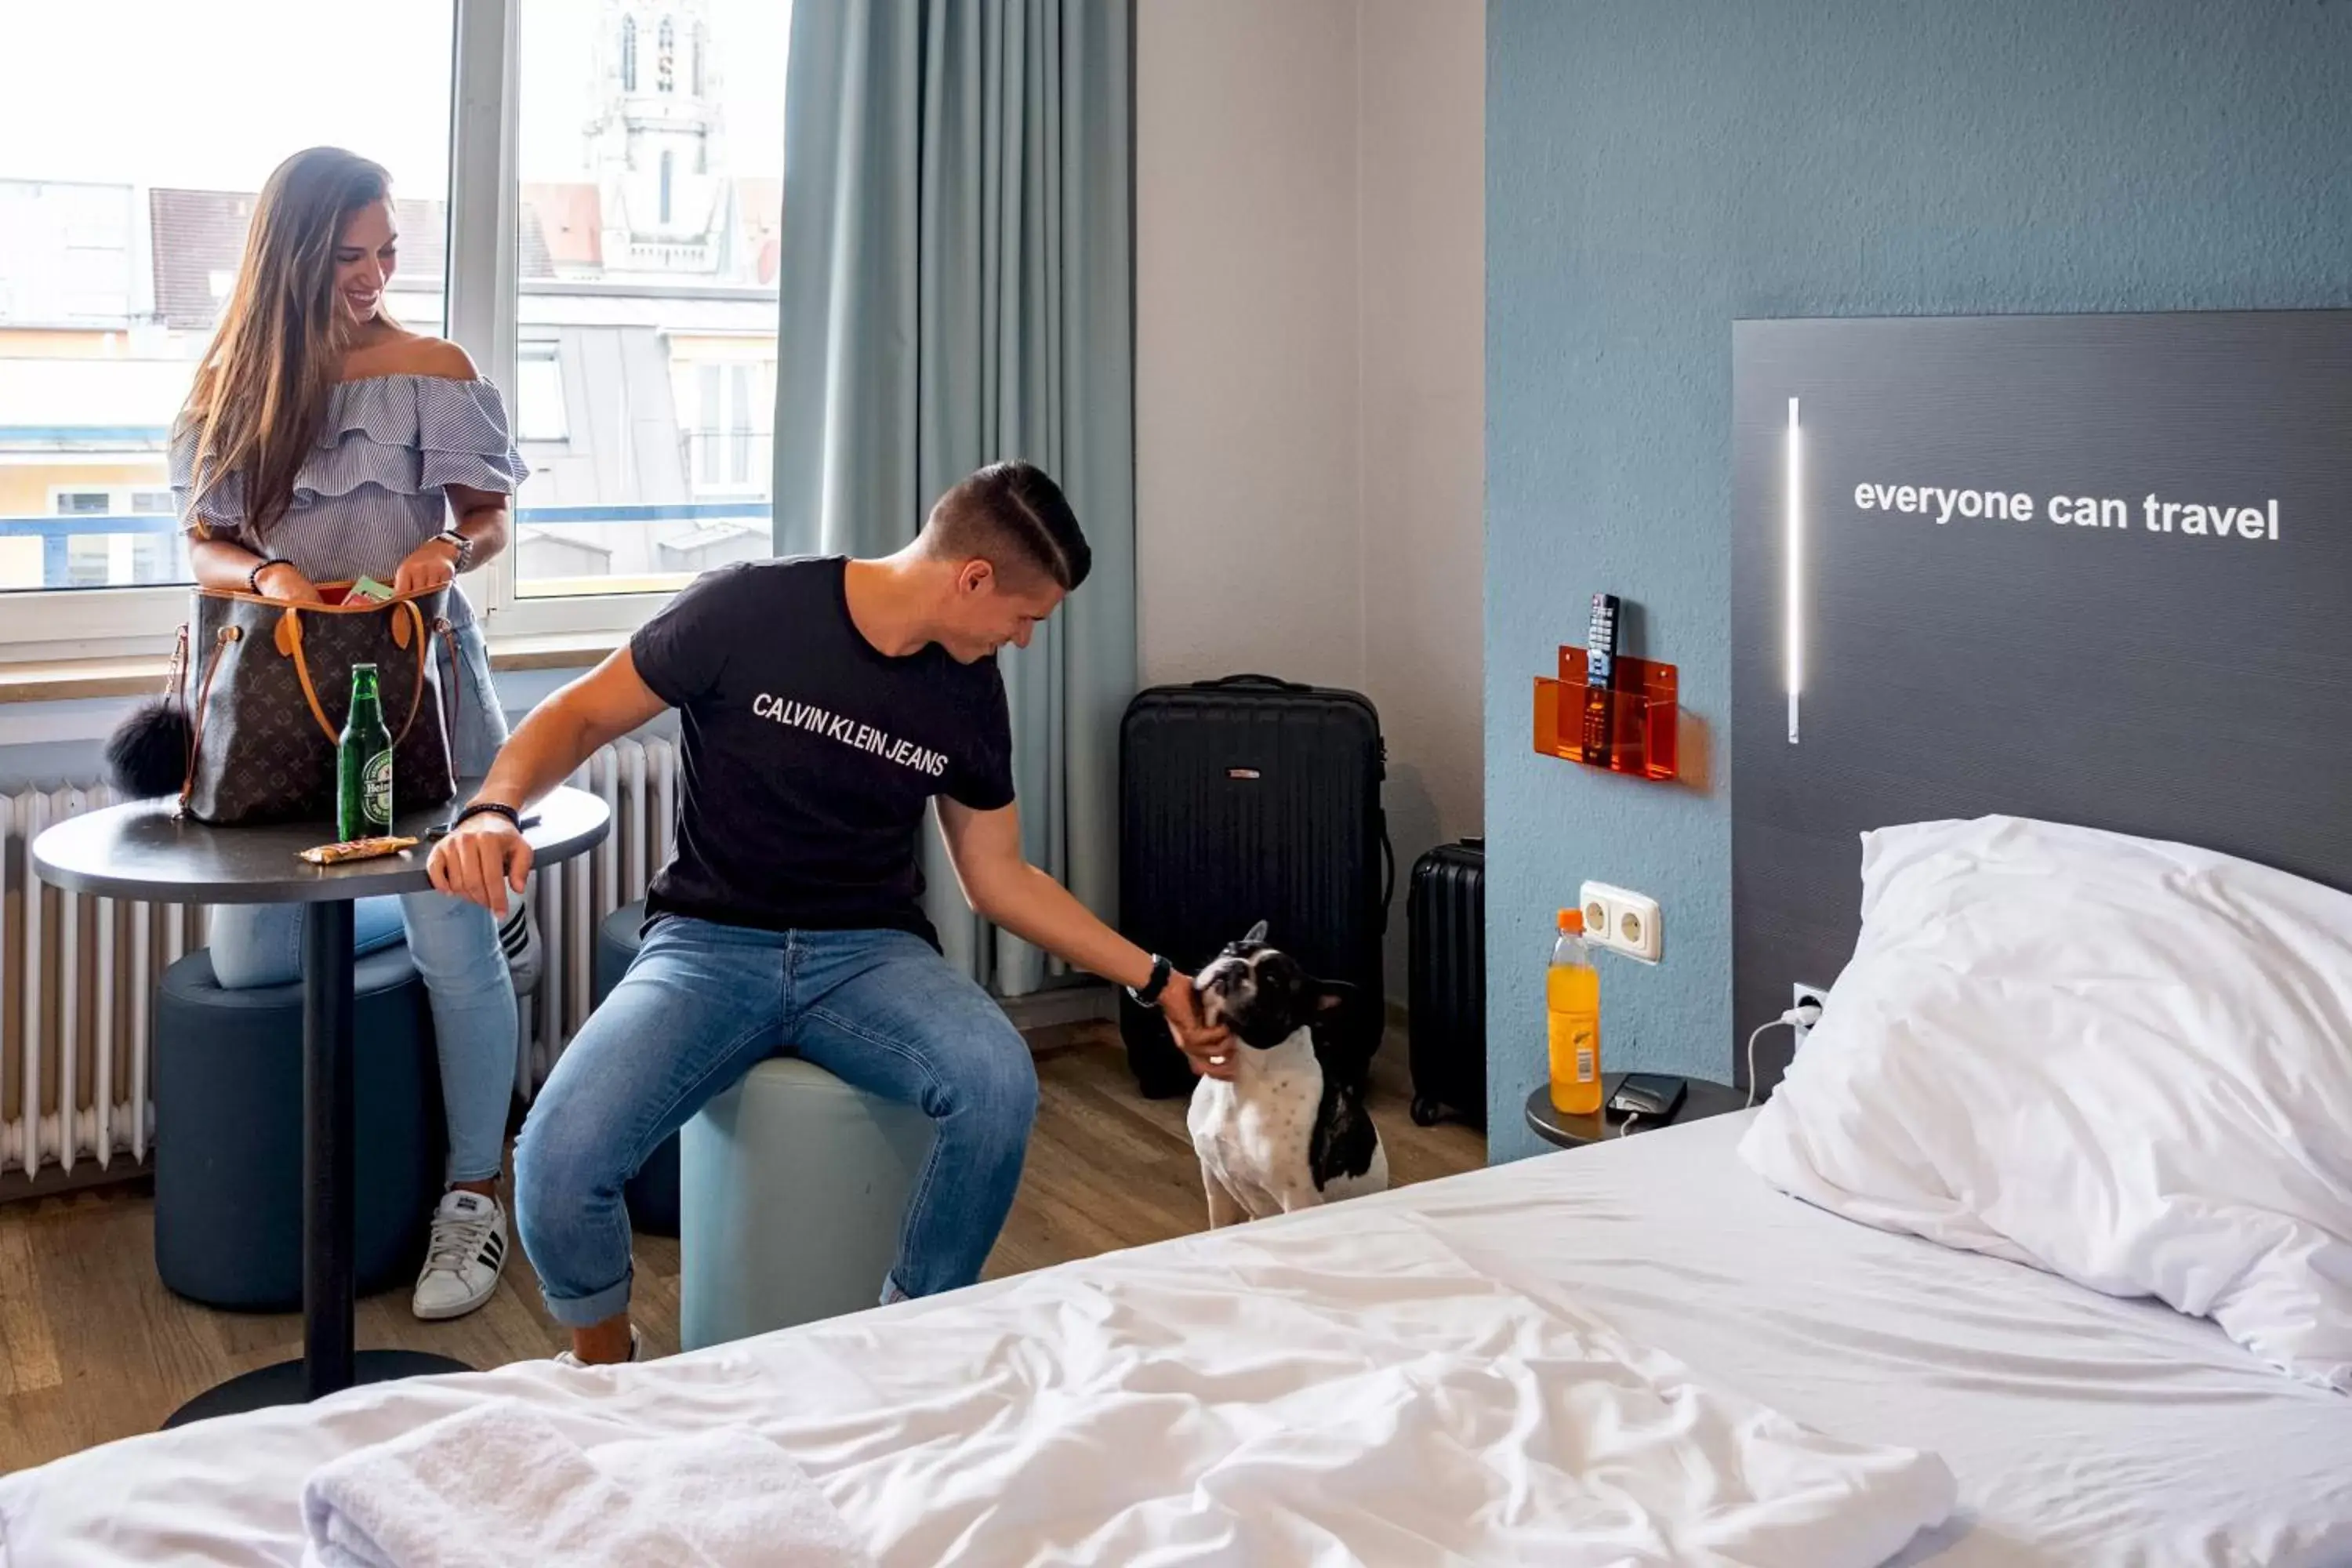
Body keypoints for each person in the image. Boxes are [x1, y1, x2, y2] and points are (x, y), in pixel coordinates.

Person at [428, 463, 1234, 1366]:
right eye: (1025, 616)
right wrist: (492, 809)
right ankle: (610, 1372)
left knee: (997, 1081)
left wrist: (1157, 978)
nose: (1023, 638)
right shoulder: (747, 608)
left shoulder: (967, 691)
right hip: (707, 945)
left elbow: (998, 876)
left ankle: (906, 1341)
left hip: (870, 954)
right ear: (973, 577)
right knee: (556, 1161)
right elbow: (578, 715)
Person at [172, 147, 532, 1323]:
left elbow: (490, 515)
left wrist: (449, 549)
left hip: (419, 684)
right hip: (286, 691)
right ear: (291, 256)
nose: (375, 276)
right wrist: (264, 575)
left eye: (387, 252)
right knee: (254, 955)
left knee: (451, 934)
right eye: (348, 257)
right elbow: (205, 539)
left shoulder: (433, 370)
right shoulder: (236, 382)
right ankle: (457, 903)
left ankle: (473, 1191)